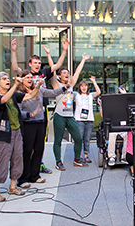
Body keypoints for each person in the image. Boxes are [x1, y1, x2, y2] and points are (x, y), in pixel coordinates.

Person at [11, 39, 70, 174]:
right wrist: (13, 51)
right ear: (30, 64)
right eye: (35, 63)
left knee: (40, 140)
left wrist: (65, 50)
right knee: (28, 141)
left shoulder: (43, 73)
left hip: (42, 109)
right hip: (28, 109)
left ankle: (38, 164)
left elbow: (57, 65)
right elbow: (15, 68)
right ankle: (27, 168)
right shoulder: (27, 75)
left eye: (39, 63)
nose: (37, 65)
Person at [0, 72, 42, 201]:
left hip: (16, 131)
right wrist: (15, 85)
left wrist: (38, 86)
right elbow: (4, 100)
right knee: (2, 163)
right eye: (4, 79)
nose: (7, 80)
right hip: (2, 134)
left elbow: (29, 95)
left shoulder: (13, 95)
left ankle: (13, 186)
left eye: (8, 78)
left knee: (17, 159)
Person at [16, 70, 67, 188]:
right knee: (27, 150)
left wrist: (65, 88)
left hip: (40, 123)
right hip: (28, 124)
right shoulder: (19, 93)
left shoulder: (39, 90)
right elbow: (18, 111)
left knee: (39, 149)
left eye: (31, 77)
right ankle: (23, 178)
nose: (30, 79)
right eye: (27, 77)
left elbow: (53, 92)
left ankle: (35, 175)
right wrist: (30, 114)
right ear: (22, 80)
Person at [52, 55, 91, 170]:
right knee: (58, 140)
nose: (66, 74)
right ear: (59, 76)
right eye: (64, 73)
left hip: (70, 116)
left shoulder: (71, 85)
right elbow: (53, 70)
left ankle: (77, 160)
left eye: (67, 73)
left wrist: (83, 60)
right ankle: (58, 162)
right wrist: (49, 55)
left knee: (78, 138)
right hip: (59, 115)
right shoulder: (57, 85)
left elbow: (77, 72)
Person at [74, 76, 101, 163]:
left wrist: (94, 81)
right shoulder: (76, 95)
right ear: (79, 87)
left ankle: (86, 155)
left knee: (87, 139)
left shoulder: (90, 95)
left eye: (85, 86)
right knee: (79, 138)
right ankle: (80, 156)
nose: (84, 88)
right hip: (79, 120)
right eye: (82, 86)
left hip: (89, 120)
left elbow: (98, 92)